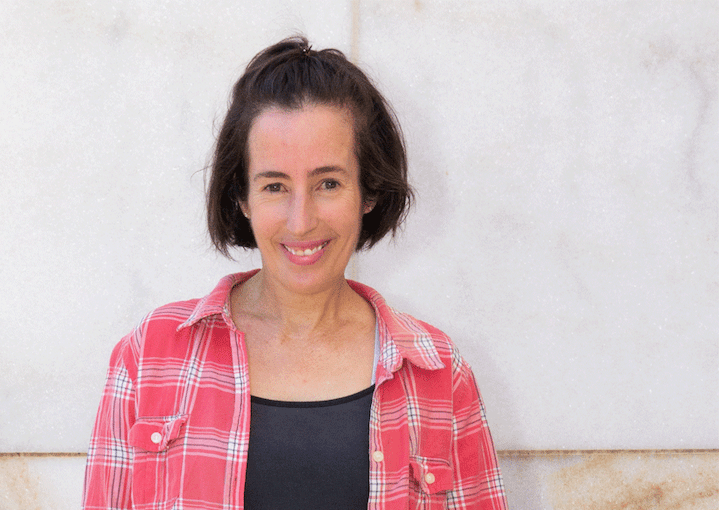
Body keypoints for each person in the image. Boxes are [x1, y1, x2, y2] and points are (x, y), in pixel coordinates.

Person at [82, 36, 508, 509]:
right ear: (241, 197)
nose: (301, 220)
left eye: (328, 183)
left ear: (368, 192)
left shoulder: (438, 372)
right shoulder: (150, 359)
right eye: (274, 185)